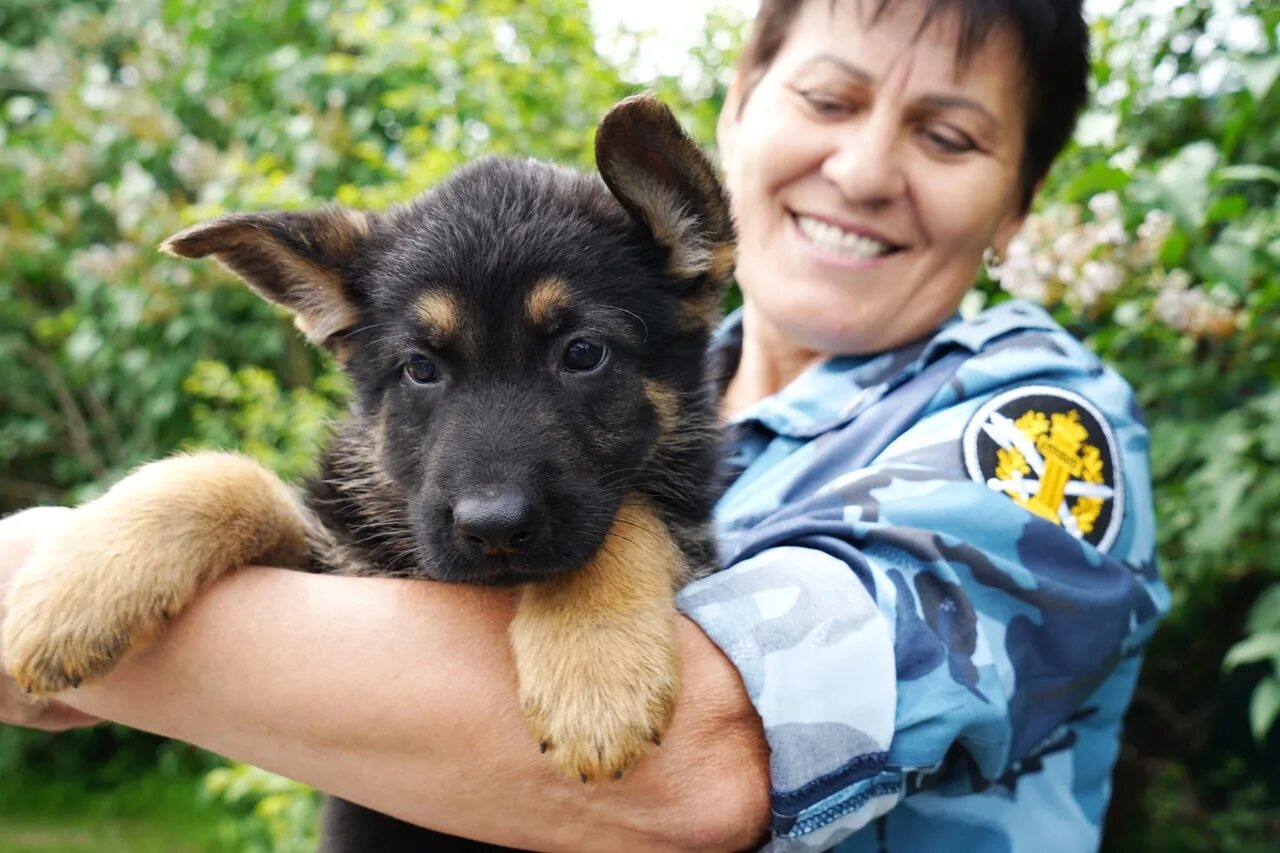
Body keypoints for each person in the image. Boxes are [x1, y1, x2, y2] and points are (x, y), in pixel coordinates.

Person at [0, 0, 1169, 849]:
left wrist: (127, 659)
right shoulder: (691, 379)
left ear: (1017, 202)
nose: (863, 169)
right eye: (829, 97)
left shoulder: (1032, 428)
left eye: (948, 135)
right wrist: (177, 519)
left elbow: (701, 767)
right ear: (738, 107)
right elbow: (332, 564)